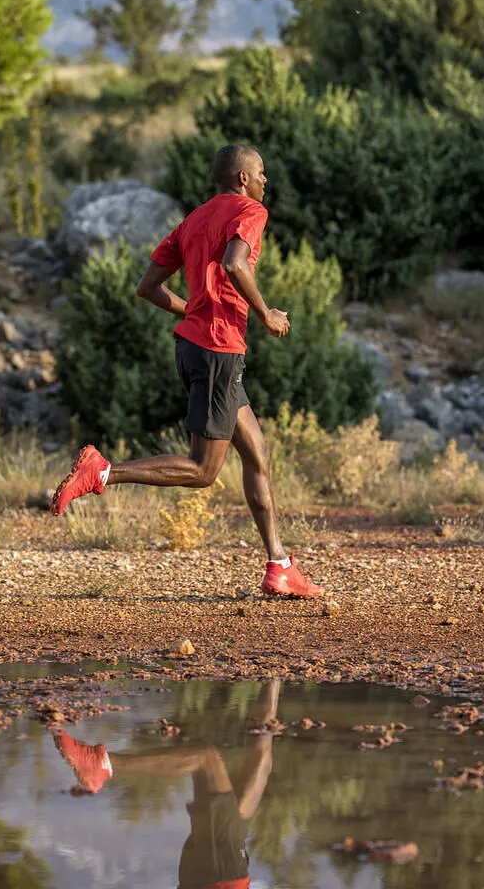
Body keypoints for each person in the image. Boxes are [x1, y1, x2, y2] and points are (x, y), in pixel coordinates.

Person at [50, 144, 323, 599]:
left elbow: (148, 287)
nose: (265, 181)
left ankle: (280, 567)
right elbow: (235, 264)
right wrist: (265, 315)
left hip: (198, 346)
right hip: (217, 350)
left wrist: (191, 308)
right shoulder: (251, 211)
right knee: (202, 471)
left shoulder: (193, 220)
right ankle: (102, 472)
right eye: (261, 173)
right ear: (242, 179)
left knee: (257, 454)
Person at [53, 679, 281, 889]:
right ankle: (274, 674)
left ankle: (101, 764)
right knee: (261, 758)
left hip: (221, 878)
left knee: (206, 759)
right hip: (231, 874)